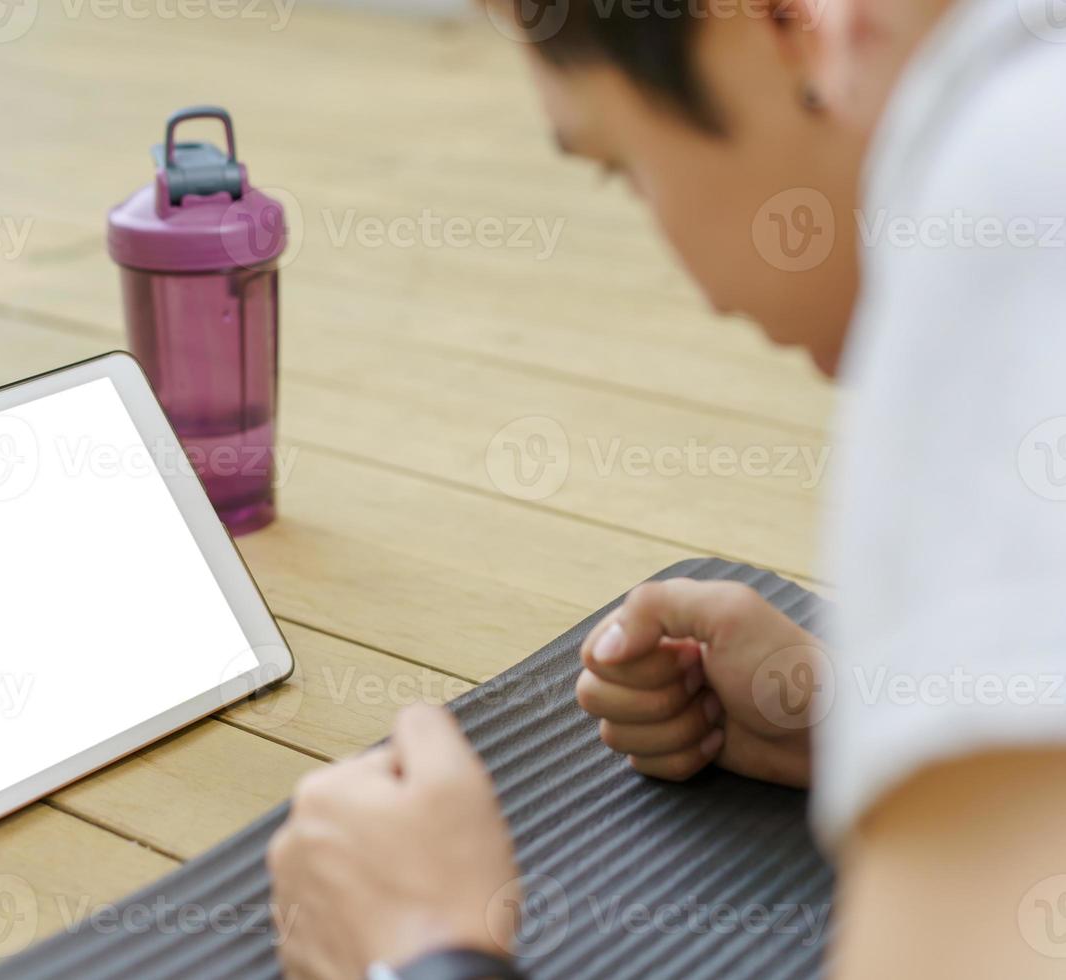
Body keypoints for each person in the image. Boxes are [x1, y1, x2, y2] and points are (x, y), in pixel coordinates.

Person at [266, 0, 1066, 976]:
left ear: (785, 26)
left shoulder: (1006, 212)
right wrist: (881, 715)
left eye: (619, 161)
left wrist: (423, 951)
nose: (694, 276)